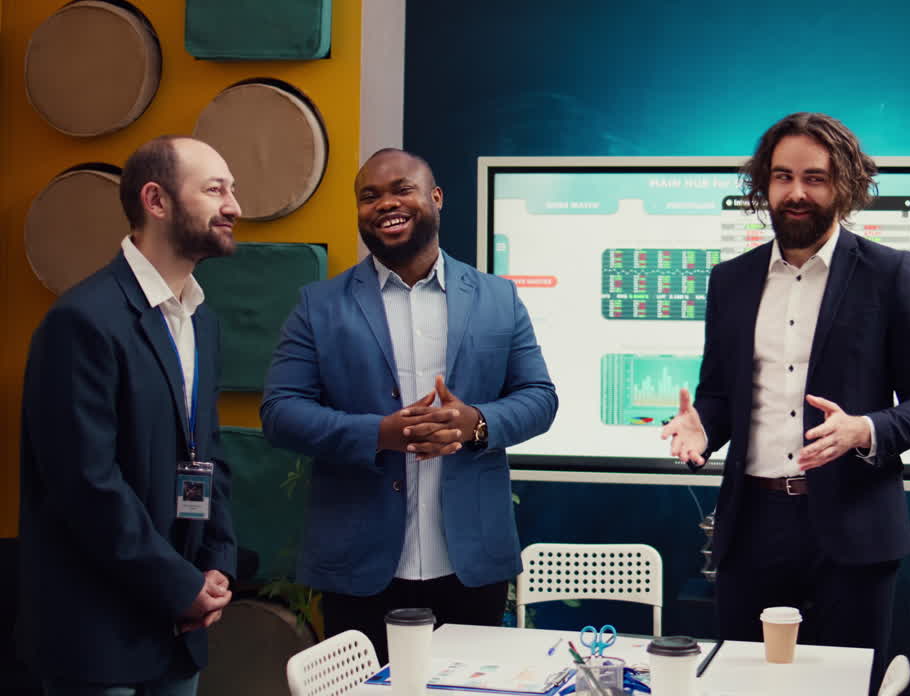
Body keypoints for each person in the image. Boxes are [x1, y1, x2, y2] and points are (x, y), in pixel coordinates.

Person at [660, 112, 910, 690]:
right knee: (745, 685)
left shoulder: (891, 274)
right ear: (762, 185)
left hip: (854, 529)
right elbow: (719, 396)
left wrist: (863, 429)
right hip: (752, 529)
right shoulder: (730, 280)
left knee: (843, 687)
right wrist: (701, 429)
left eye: (814, 178)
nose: (796, 192)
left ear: (844, 185)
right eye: (782, 176)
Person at [261, 148, 558, 664]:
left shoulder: (498, 298)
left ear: (435, 198)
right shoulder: (319, 304)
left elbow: (540, 398)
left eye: (402, 189)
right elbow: (281, 412)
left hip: (470, 562)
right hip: (359, 565)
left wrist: (477, 424)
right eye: (369, 196)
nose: (385, 204)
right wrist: (381, 433)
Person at [18, 136, 241, 695]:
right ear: (156, 200)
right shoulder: (83, 321)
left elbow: (208, 453)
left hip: (179, 623)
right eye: (215, 189)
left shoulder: (201, 321)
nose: (234, 206)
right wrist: (178, 584)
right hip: (100, 632)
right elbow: (86, 486)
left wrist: (217, 566)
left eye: (232, 190)